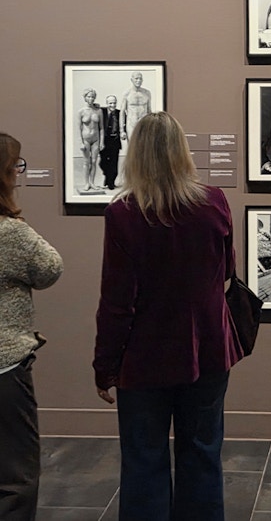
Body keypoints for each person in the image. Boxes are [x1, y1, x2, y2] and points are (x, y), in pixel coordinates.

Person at [93, 112, 242, 521]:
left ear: (135, 153)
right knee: (202, 457)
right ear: (182, 151)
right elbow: (227, 271)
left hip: (144, 356)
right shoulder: (214, 202)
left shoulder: (123, 214)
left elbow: (117, 300)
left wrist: (104, 365)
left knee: (144, 462)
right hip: (208, 347)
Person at [0, 132, 63, 520]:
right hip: (4, 367)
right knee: (15, 477)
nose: (20, 174)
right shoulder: (11, 234)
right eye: (16, 167)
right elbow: (49, 268)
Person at [77, 87, 104, 191]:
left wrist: (102, 142)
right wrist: (80, 142)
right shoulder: (81, 112)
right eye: (89, 96)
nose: (91, 99)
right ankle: (86, 183)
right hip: (86, 139)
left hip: (96, 139)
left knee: (94, 161)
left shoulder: (98, 111)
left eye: (93, 97)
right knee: (86, 162)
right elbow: (79, 128)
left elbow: (101, 128)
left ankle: (92, 182)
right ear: (85, 97)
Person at [120, 71, 152, 140]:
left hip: (144, 124)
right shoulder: (127, 93)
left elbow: (149, 111)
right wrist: (122, 130)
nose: (138, 81)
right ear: (132, 80)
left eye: (140, 79)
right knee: (132, 146)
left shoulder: (147, 93)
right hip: (131, 124)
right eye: (136, 78)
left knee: (144, 147)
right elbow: (122, 112)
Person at [99, 95, 122, 190]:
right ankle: (108, 177)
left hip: (115, 141)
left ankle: (111, 182)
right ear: (106, 103)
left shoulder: (120, 113)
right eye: (110, 103)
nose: (112, 105)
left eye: (114, 103)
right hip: (104, 140)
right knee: (103, 162)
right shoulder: (102, 111)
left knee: (114, 162)